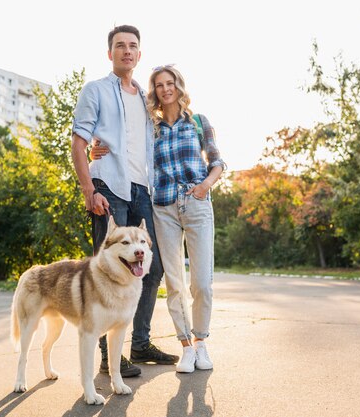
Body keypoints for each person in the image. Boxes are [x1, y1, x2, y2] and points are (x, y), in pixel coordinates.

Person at [92, 65, 226, 373]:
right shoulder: (150, 128)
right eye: (159, 85)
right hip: (163, 208)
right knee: (176, 282)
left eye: (170, 83)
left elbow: (217, 161)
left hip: (196, 205)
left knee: (202, 283)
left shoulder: (198, 122)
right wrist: (98, 148)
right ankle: (186, 347)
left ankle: (201, 341)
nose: (166, 88)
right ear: (154, 91)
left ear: (179, 86)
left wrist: (205, 186)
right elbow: (126, 147)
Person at [70, 25, 179, 378]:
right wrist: (89, 190)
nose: (127, 51)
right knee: (106, 271)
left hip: (141, 190)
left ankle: (140, 342)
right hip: (108, 186)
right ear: (110, 53)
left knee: (153, 266)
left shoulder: (147, 103)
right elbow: (79, 144)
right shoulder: (96, 91)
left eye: (133, 46)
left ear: (139, 54)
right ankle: (108, 357)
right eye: (120, 46)